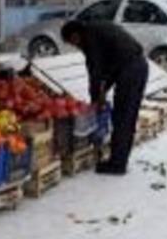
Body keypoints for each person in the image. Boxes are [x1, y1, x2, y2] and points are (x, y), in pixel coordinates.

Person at [61, 19, 148, 175]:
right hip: (136, 66)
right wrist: (101, 93)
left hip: (131, 70)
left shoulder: (90, 39)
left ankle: (117, 164)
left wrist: (95, 99)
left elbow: (96, 71)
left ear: (75, 36)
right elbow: (109, 67)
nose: (75, 47)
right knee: (126, 116)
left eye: (72, 43)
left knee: (123, 117)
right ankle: (119, 159)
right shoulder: (96, 29)